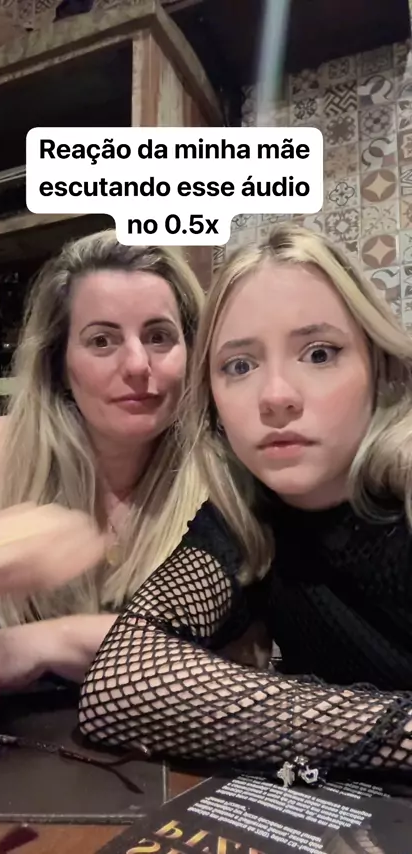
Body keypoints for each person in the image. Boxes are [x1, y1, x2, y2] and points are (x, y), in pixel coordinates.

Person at [79, 223, 412, 785]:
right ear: (213, 403)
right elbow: (118, 684)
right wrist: (397, 731)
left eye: (319, 353)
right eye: (239, 365)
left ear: (379, 370)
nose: (276, 397)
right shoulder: (248, 515)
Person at [0, 229, 206, 718]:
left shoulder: (219, 478)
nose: (137, 364)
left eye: (159, 336)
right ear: (59, 363)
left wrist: (41, 642)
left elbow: (220, 658)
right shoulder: (0, 449)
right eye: (102, 340)